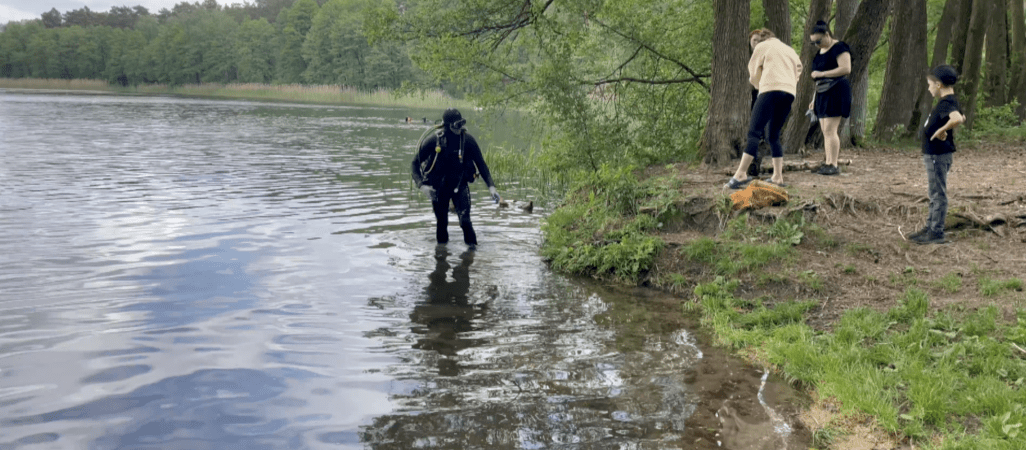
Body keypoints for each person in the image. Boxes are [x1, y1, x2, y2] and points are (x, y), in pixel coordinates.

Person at [411, 108, 500, 247]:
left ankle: (472, 253)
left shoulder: (468, 141)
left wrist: (492, 188)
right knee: (441, 223)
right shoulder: (434, 141)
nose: (460, 129)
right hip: (438, 188)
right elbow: (414, 164)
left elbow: (482, 165)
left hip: (460, 185)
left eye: (461, 124)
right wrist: (422, 186)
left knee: (465, 221)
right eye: (456, 125)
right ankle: (441, 256)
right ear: (447, 125)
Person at [726, 29, 802, 189]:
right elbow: (799, 69)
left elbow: (753, 73)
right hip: (789, 93)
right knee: (773, 136)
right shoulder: (790, 50)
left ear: (762, 39)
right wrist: (788, 83)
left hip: (769, 90)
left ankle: (740, 174)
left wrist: (760, 85)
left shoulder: (763, 47)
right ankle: (778, 177)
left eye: (755, 42)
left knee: (754, 132)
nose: (754, 46)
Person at [909, 65, 964, 245]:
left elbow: (956, 118)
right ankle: (930, 226)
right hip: (935, 154)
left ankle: (936, 232)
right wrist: (945, 129)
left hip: (937, 155)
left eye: (930, 84)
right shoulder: (949, 101)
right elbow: (960, 118)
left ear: (939, 84)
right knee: (934, 191)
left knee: (937, 193)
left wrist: (941, 129)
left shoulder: (947, 102)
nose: (929, 88)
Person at [808, 20, 852, 176]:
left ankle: (833, 164)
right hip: (821, 92)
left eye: (819, 41)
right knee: (824, 130)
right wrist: (814, 99)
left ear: (827, 34)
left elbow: (846, 68)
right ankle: (827, 162)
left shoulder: (840, 47)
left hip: (837, 90)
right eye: (814, 43)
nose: (817, 45)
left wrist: (823, 74)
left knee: (830, 129)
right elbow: (817, 79)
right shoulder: (818, 53)